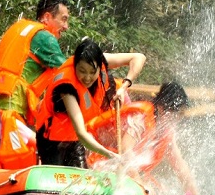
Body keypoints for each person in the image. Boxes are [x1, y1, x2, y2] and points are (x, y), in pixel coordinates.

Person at [32, 38, 144, 167]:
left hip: (76, 139)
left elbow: (138, 57)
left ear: (99, 65)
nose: (87, 77)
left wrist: (124, 87)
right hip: (52, 140)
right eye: (82, 71)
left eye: (92, 72)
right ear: (75, 66)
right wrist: (110, 154)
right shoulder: (66, 88)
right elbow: (81, 132)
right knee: (57, 177)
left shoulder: (101, 60)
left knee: (81, 174)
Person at [87, 81, 201, 195]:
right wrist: (139, 184)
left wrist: (194, 193)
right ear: (162, 108)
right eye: (176, 114)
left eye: (180, 115)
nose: (177, 120)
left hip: (118, 165)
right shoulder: (140, 118)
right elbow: (126, 149)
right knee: (144, 188)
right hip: (95, 155)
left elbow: (179, 164)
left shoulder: (166, 130)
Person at [0, 0, 70, 121]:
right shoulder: (44, 37)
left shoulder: (20, 29)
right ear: (47, 17)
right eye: (63, 19)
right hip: (12, 106)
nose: (66, 26)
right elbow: (69, 70)